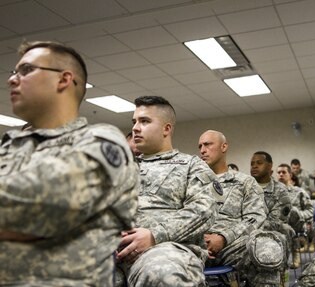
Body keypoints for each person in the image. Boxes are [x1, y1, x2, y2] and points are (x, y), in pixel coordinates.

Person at [0, 41, 138, 286]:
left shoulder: (101, 142)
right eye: (14, 72)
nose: (12, 80)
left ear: (63, 79)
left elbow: (35, 208)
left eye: (26, 70)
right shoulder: (9, 145)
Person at [115, 96, 219, 286]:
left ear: (166, 128)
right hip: (114, 252)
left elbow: (204, 211)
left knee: (162, 274)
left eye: (144, 121)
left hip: (165, 249)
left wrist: (154, 234)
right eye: (134, 122)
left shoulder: (191, 165)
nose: (136, 128)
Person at [199, 130, 284, 286]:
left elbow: (255, 218)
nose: (202, 150)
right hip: (196, 247)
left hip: (232, 246)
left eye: (208, 144)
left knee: (265, 248)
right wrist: (199, 242)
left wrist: (224, 237)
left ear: (224, 147)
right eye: (200, 146)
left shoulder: (245, 182)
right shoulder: (193, 182)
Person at [250, 151, 297, 269]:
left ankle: (281, 276)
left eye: (259, 163)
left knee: (284, 232)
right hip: (245, 234)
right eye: (252, 163)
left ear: (270, 166)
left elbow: (276, 222)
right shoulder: (244, 187)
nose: (254, 166)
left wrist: (248, 228)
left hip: (270, 233)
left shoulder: (280, 190)